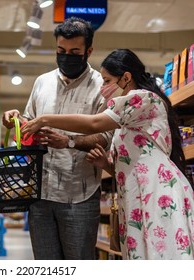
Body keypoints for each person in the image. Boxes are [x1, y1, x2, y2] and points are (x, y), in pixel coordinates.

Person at [21, 49, 194, 260]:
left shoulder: (142, 99)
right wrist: (105, 163)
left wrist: (45, 119)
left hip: (157, 192)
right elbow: (128, 167)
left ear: (126, 77)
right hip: (135, 195)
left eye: (107, 80)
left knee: (162, 256)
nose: (102, 88)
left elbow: (94, 123)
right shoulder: (125, 122)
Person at [2, 17, 112, 260]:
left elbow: (106, 136)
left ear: (88, 51)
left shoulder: (101, 87)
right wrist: (15, 120)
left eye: (75, 52)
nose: (66, 56)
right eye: (61, 51)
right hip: (39, 192)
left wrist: (68, 141)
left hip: (79, 194)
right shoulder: (42, 82)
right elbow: (29, 120)